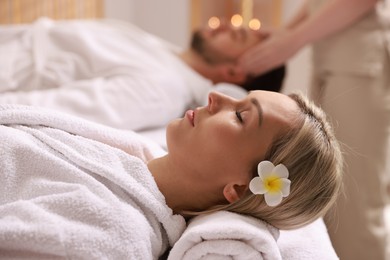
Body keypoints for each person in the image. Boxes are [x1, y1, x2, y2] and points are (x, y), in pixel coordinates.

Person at [0, 89, 343, 258]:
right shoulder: (127, 154)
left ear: (238, 188)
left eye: (241, 116)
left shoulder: (112, 227)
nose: (215, 95)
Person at [240, 0, 390, 259]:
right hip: (331, 58)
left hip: (360, 61)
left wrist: (290, 42)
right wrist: (286, 34)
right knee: (332, 204)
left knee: (354, 205)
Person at [0, 18, 284, 132]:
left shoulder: (161, 90)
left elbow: (38, 111)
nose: (223, 24)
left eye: (236, 35)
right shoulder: (169, 57)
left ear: (233, 71)